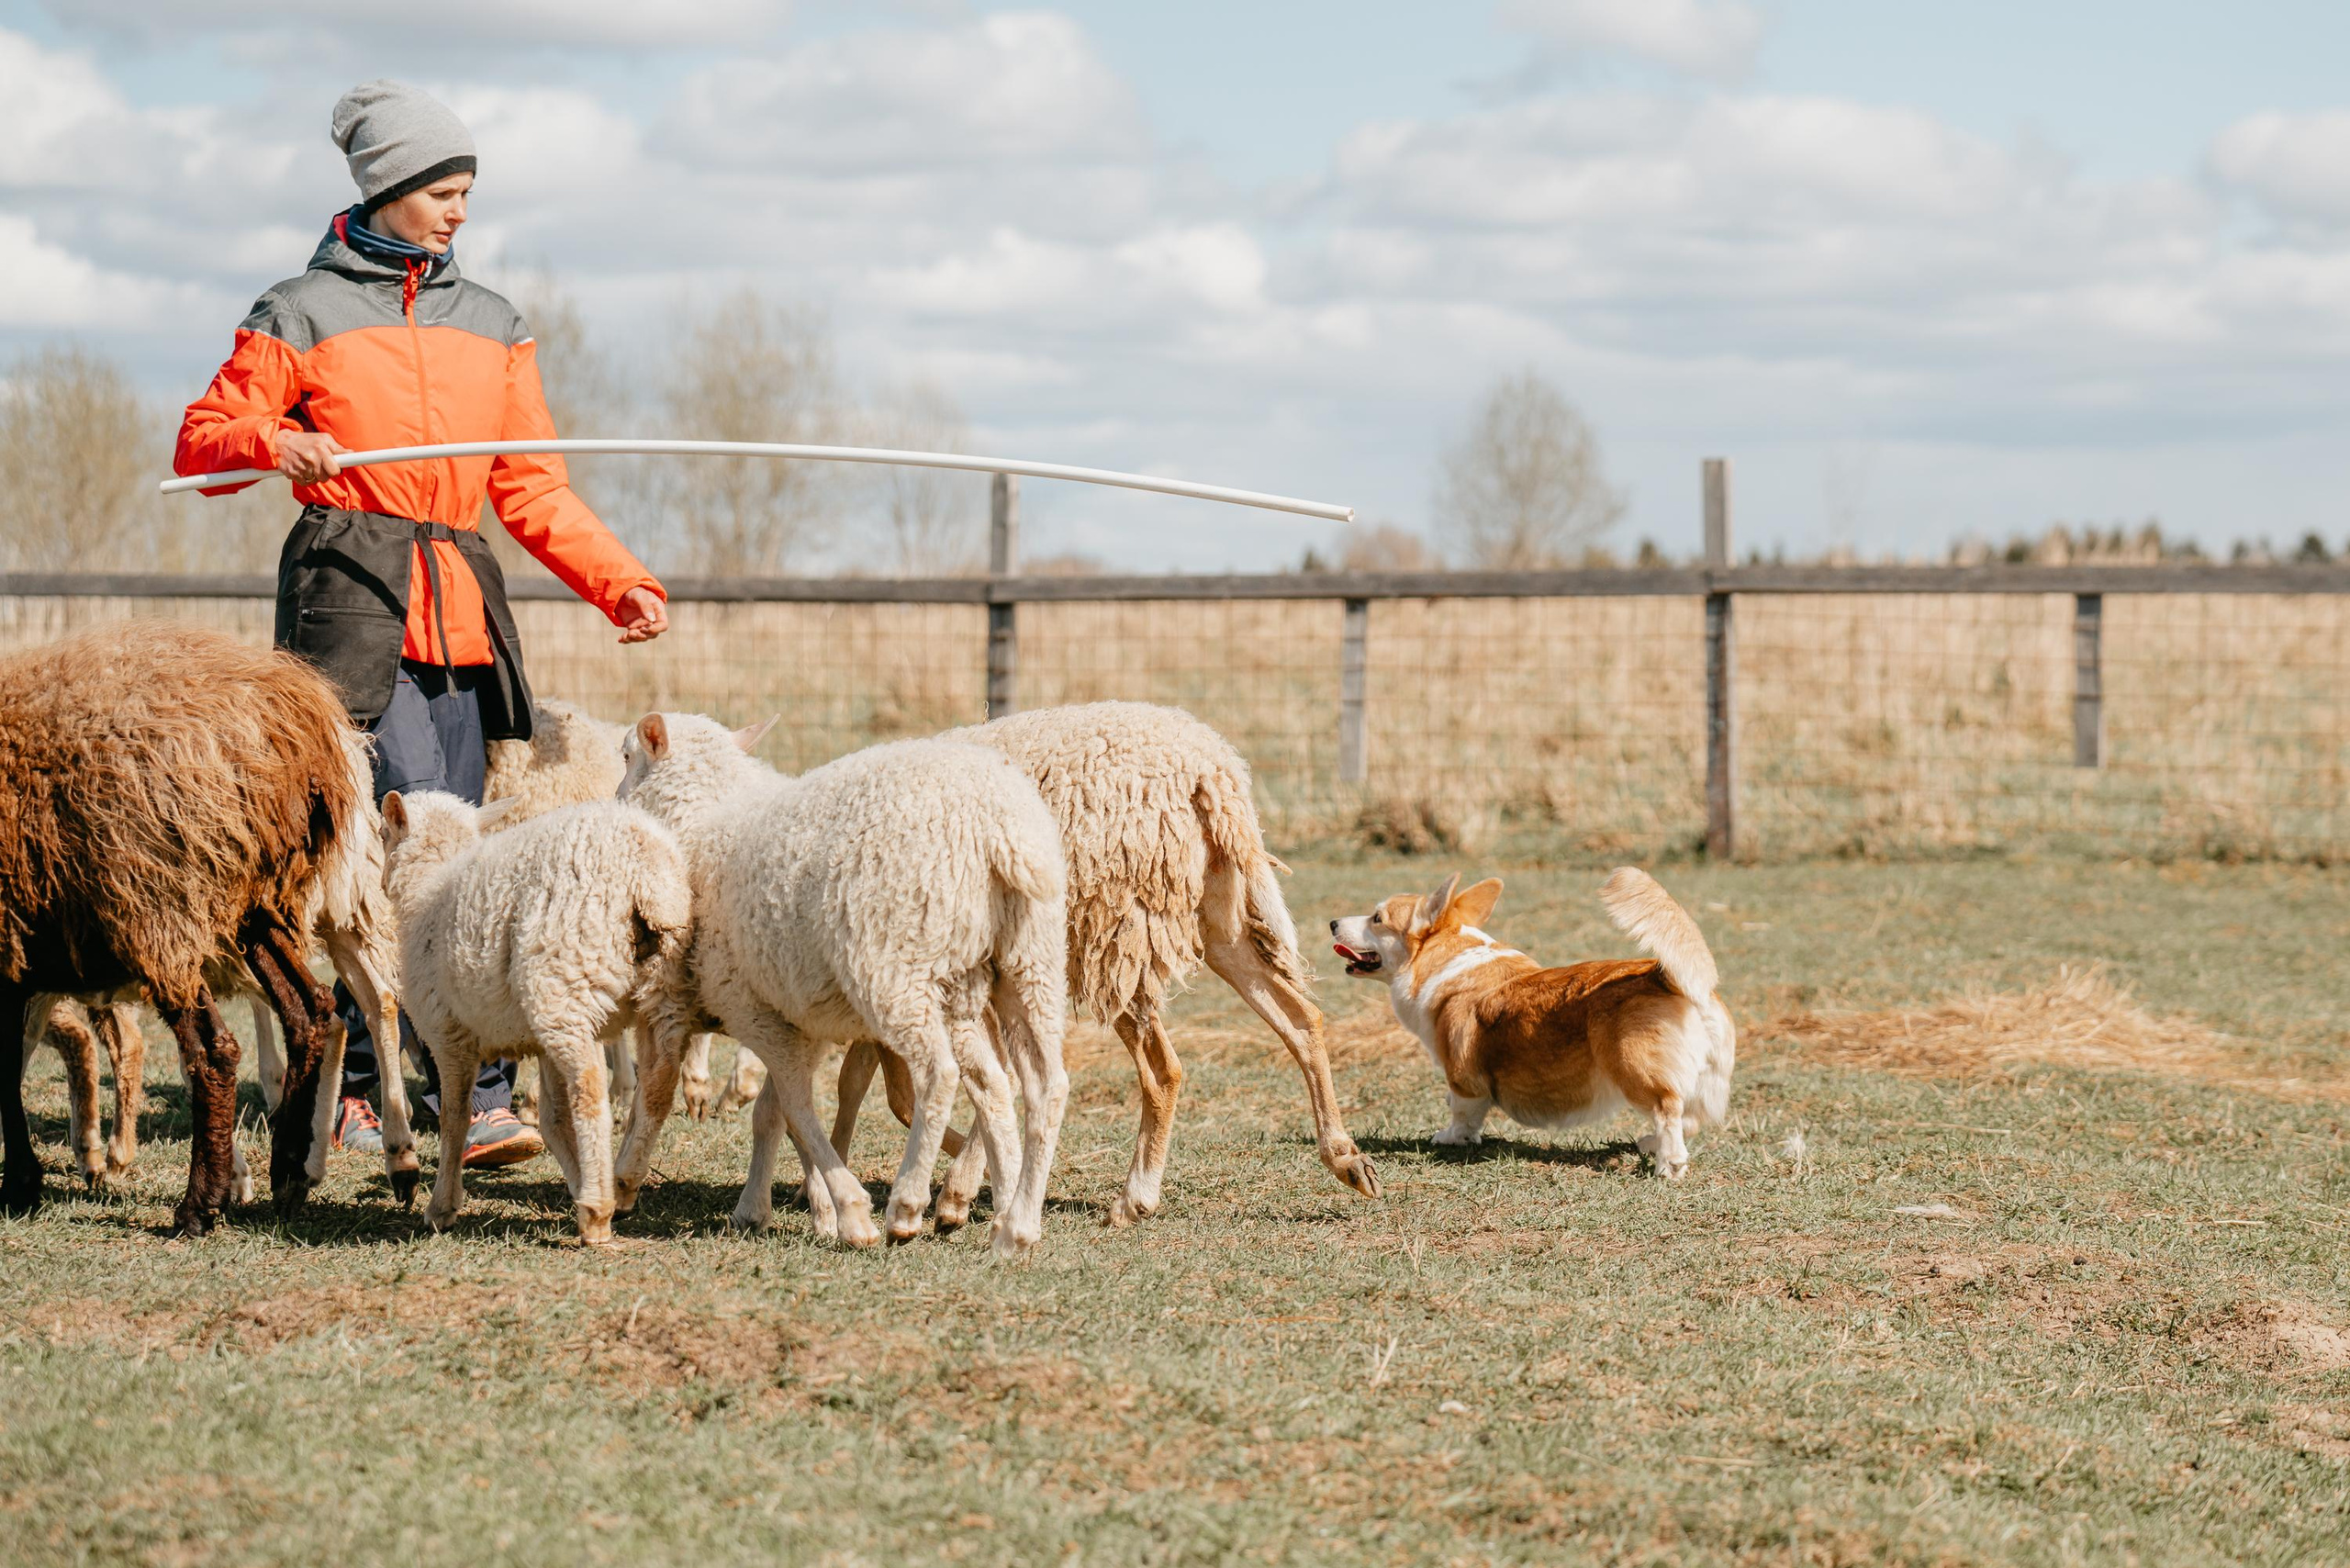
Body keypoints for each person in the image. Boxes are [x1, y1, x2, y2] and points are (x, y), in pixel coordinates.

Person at [175, 80, 669, 1170]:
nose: (458, 213)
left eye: (466, 194)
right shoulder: (299, 308)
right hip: (352, 596)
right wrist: (273, 441)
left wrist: (615, 580)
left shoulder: (493, 323)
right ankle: (358, 1087)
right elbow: (202, 439)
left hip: (461, 607)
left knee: (467, 851)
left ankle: (475, 1090)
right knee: (384, 850)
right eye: (442, 191)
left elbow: (531, 488)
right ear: (387, 187)